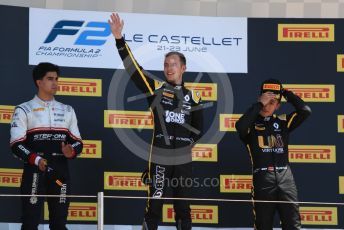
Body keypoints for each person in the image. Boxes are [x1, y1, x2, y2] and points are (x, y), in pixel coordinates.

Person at [108, 13, 203, 230]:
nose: (169, 68)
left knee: (183, 207)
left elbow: (199, 129)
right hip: (159, 155)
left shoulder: (195, 97)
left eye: (174, 64)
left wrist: (186, 145)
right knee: (154, 204)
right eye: (166, 64)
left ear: (183, 68)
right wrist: (119, 41)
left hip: (183, 159)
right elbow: (134, 70)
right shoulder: (156, 88)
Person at [10, 62, 83, 230]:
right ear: (39, 82)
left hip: (60, 169)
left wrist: (71, 150)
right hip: (35, 168)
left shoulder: (67, 110)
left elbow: (78, 141)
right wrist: (36, 159)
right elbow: (16, 144)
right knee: (30, 222)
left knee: (59, 223)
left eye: (56, 79)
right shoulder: (24, 109)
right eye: (50, 79)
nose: (55, 83)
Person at [235, 79, 311, 230]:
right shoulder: (250, 124)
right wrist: (258, 105)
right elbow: (240, 126)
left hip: (286, 178)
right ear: (259, 100)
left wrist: (285, 93)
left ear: (278, 106)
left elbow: (305, 111)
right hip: (263, 180)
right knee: (263, 226)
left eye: (272, 102)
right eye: (265, 101)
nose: (267, 106)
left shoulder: (283, 122)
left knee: (293, 225)